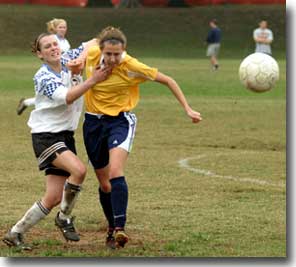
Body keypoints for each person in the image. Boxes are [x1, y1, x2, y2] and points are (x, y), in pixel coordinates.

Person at [82, 26, 202, 249]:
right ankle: (111, 226)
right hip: (92, 124)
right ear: (102, 50)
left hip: (119, 122)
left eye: (117, 54)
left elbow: (168, 80)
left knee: (116, 171)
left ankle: (119, 229)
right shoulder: (92, 54)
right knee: (104, 184)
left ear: (123, 51)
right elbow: (86, 48)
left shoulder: (131, 67)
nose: (112, 58)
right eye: (108, 54)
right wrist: (76, 65)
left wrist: (188, 109)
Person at [2, 33, 111, 250]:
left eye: (55, 44)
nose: (53, 48)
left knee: (52, 197)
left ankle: (15, 233)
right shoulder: (43, 77)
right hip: (46, 136)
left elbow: (89, 44)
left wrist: (109, 39)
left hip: (65, 136)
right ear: (40, 54)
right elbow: (68, 97)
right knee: (79, 171)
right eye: (47, 46)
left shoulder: (67, 59)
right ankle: (64, 218)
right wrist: (91, 79)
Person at [17, 18, 71, 116]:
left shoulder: (65, 41)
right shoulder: (52, 38)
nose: (63, 29)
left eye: (64, 27)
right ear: (55, 28)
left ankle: (26, 102)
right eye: (60, 27)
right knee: (55, 96)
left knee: (54, 95)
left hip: (64, 71)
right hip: (54, 70)